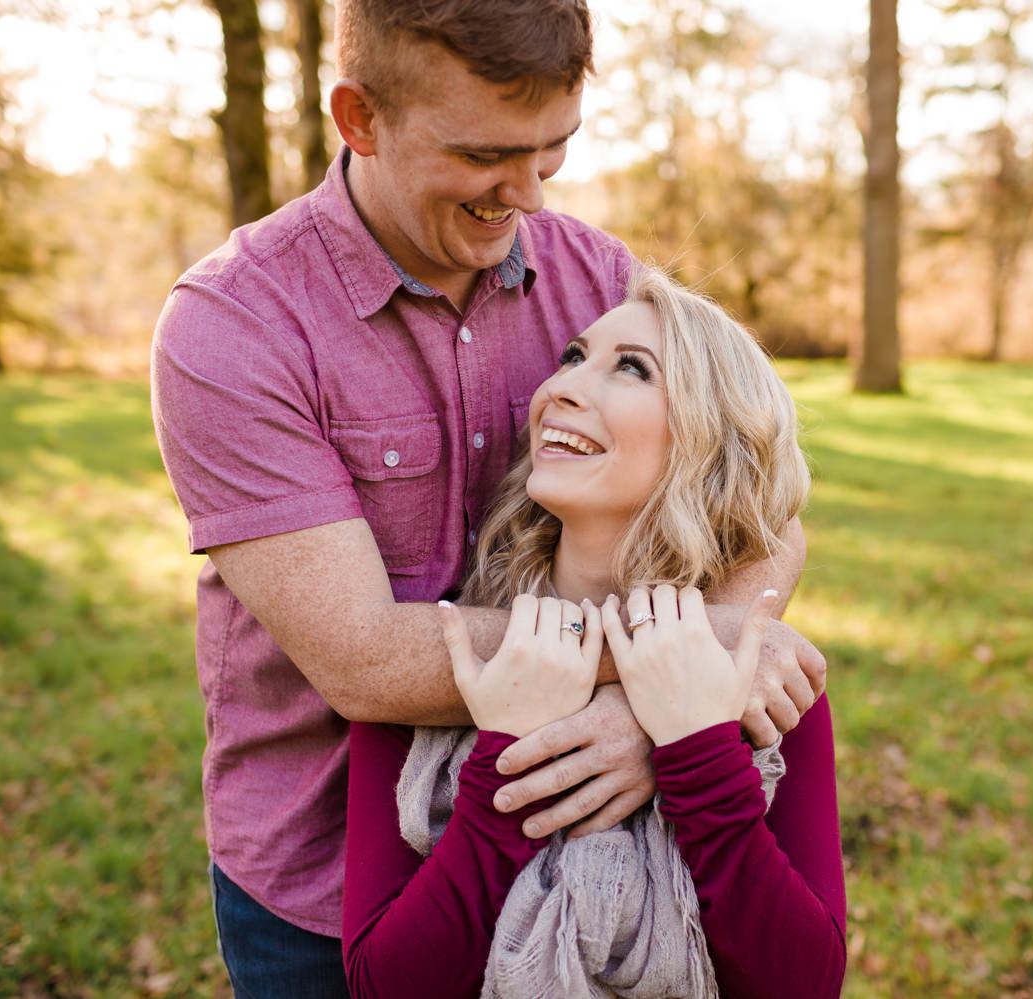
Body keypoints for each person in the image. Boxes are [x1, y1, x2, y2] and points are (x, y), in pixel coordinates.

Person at [150, 1, 828, 994]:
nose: (529, 198)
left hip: (616, 855)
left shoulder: (599, 281)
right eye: (485, 155)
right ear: (359, 118)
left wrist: (667, 718)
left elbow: (762, 513)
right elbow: (367, 661)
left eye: (553, 151)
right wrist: (675, 675)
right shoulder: (234, 327)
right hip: (331, 870)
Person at [341, 267, 847, 997]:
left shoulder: (758, 683)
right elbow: (383, 986)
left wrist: (700, 752)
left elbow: (803, 984)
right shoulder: (444, 660)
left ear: (707, 447)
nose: (563, 388)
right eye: (573, 357)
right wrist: (502, 766)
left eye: (631, 369)